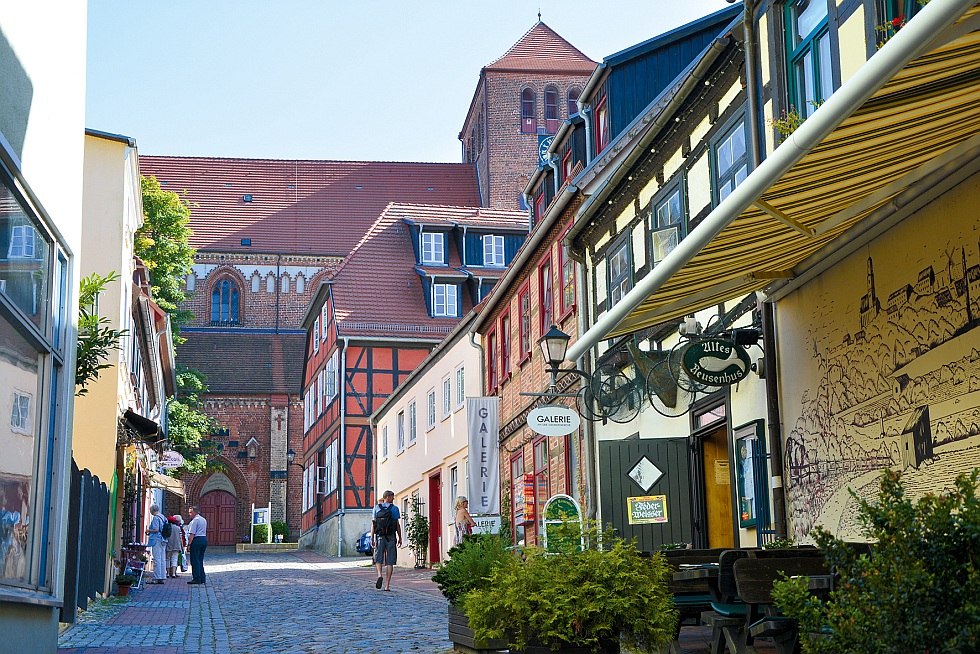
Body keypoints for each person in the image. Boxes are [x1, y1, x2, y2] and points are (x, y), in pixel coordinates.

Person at [370, 490, 402, 591]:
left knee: (378, 558)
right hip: (391, 537)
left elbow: (373, 524)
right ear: (387, 497)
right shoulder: (394, 508)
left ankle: (379, 575)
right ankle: (387, 585)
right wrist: (400, 537)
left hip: (380, 536)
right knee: (390, 561)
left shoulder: (376, 508)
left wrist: (372, 537)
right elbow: (397, 524)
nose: (393, 499)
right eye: (392, 497)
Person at [185, 505, 208, 585]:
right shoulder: (203, 519)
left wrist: (189, 544)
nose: (189, 514)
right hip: (204, 539)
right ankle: (202, 577)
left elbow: (192, 534)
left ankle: (196, 578)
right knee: (200, 559)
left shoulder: (195, 520)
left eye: (190, 512)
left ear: (195, 512)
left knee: (195, 560)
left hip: (197, 540)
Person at [146, 504, 167, 584]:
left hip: (157, 540)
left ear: (152, 510)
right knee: (162, 559)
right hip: (163, 540)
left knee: (157, 559)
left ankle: (156, 577)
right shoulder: (163, 517)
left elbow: (156, 529)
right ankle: (162, 577)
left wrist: (148, 530)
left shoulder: (155, 518)